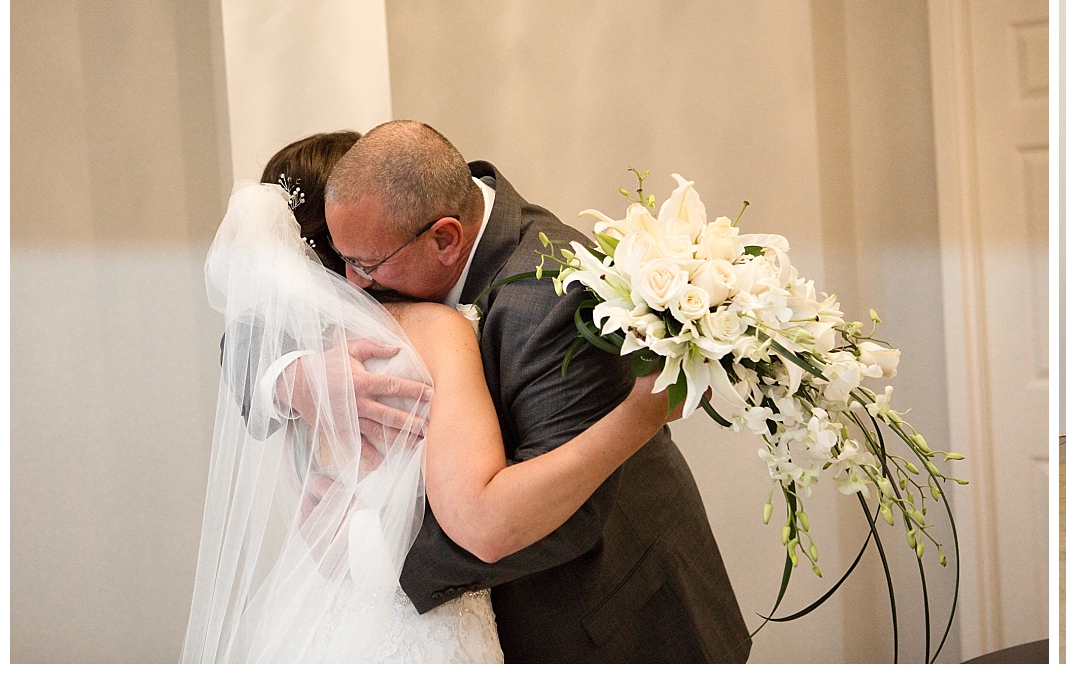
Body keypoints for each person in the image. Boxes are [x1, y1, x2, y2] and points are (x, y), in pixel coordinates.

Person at [186, 123, 751, 662]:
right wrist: (293, 378)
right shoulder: (364, 285)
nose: (358, 283)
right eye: (346, 263)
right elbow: (244, 341)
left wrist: (368, 554)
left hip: (606, 616)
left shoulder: (548, 294)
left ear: (443, 238)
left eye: (366, 262)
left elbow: (564, 519)